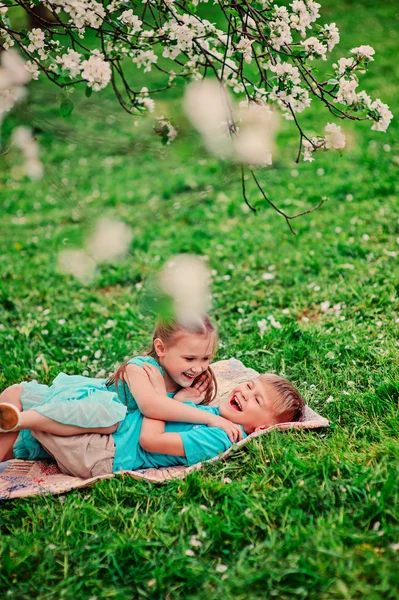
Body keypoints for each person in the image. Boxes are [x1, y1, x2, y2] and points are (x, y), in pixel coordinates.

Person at [0, 316, 244, 462]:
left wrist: (181, 400)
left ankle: (18, 422)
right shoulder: (141, 368)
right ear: (161, 348)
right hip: (69, 405)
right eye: (190, 359)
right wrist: (211, 419)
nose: (199, 367)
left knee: (20, 448)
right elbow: (152, 406)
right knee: (110, 418)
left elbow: (167, 421)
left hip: (71, 434)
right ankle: (19, 418)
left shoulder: (194, 384)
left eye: (206, 358)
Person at [0, 363, 305, 478]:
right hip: (102, 440)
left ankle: (19, 421)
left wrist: (160, 399)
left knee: (88, 413)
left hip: (103, 453)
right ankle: (13, 428)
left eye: (256, 400)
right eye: (249, 386)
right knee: (18, 393)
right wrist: (182, 402)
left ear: (262, 428)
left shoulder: (223, 436)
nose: (244, 392)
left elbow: (151, 439)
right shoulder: (213, 414)